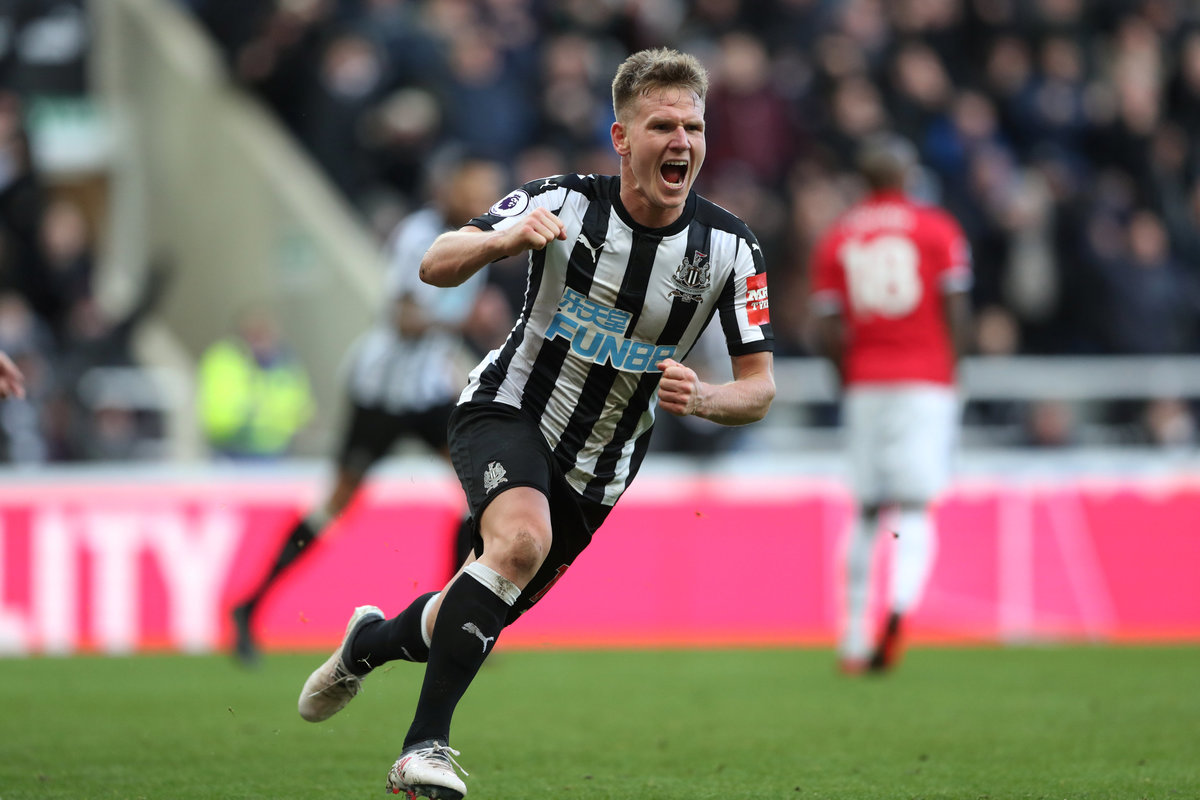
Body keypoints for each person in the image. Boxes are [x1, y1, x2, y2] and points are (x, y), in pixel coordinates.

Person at [296, 47, 775, 799]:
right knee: (520, 543)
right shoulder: (564, 203)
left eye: (694, 127)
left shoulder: (732, 250)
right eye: (661, 126)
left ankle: (368, 644)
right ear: (622, 138)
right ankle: (423, 749)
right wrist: (500, 239)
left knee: (478, 600)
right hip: (508, 407)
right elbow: (435, 260)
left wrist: (708, 398)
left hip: (601, 466)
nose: (681, 141)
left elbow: (761, 388)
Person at [230, 154, 511, 666]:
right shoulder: (418, 236)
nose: (483, 198)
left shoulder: (481, 236)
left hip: (427, 391)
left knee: (478, 494)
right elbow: (403, 319)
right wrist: (466, 321)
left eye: (489, 188)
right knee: (336, 503)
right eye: (475, 187)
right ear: (450, 187)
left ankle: (449, 622)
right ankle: (249, 607)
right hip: (380, 392)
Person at [809, 133, 973, 675]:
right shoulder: (937, 228)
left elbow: (827, 326)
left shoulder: (838, 236)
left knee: (865, 510)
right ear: (906, 176)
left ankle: (853, 637)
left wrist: (848, 379)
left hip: (866, 381)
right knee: (916, 508)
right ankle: (899, 609)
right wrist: (953, 374)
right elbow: (956, 307)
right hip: (926, 380)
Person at [196, 303, 316, 460]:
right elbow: (219, 415)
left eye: (265, 332)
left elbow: (302, 410)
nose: (261, 340)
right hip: (232, 452)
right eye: (254, 333)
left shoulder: (287, 364)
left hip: (278, 453)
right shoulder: (224, 361)